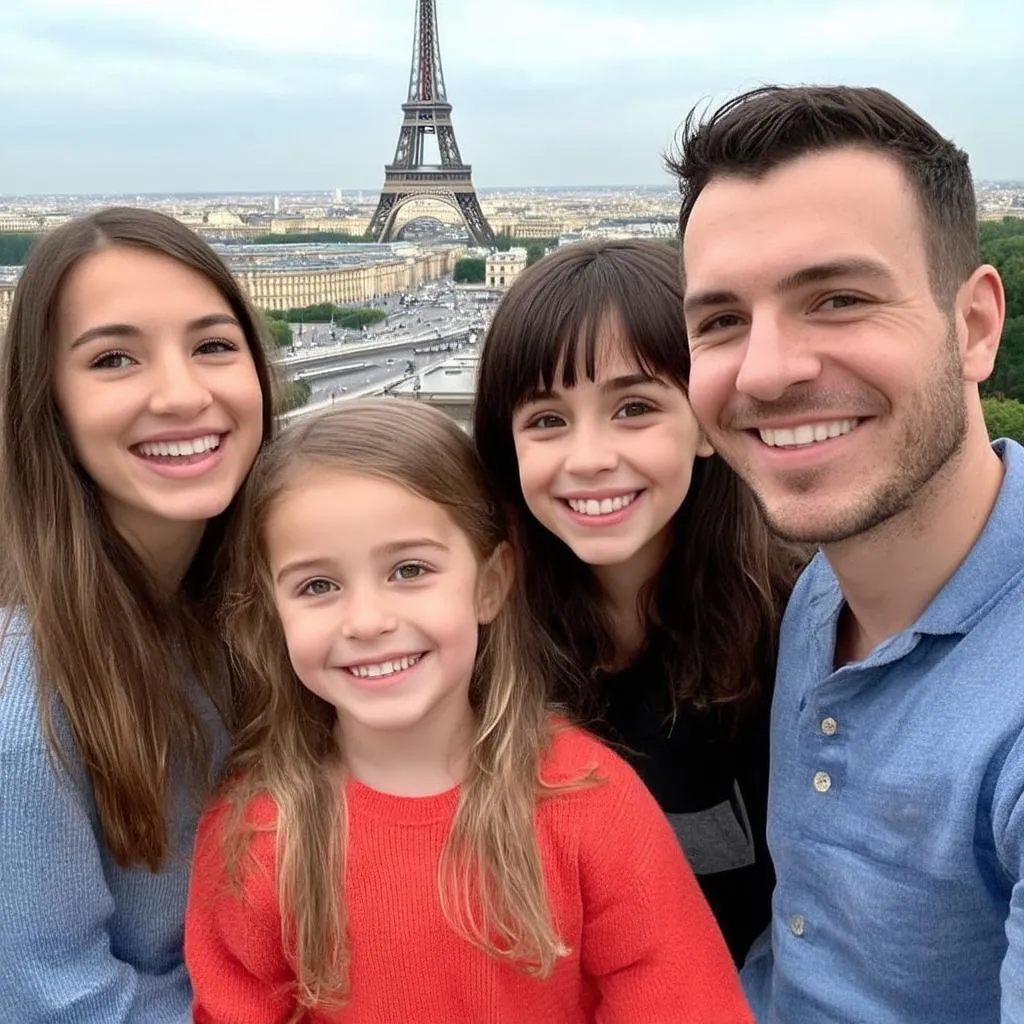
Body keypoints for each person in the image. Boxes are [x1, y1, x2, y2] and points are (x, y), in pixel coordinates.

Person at [184, 400, 753, 1024]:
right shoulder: (253, 835)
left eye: (409, 570)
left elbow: (683, 1001)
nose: (368, 621)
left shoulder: (592, 801)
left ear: (489, 585)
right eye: (318, 586)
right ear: (274, 611)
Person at [669, 84, 1021, 1022]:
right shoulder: (820, 590)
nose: (768, 369)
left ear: (976, 325)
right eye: (721, 321)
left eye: (838, 298)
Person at [472, 239, 800, 963]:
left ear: (708, 423)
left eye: (634, 407)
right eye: (547, 420)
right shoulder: (478, 641)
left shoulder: (809, 632)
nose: (589, 457)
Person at [0, 207, 274, 1021]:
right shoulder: (24, 704)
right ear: (47, 403)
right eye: (115, 358)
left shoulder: (245, 610)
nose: (182, 393)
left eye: (213, 345)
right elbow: (61, 1005)